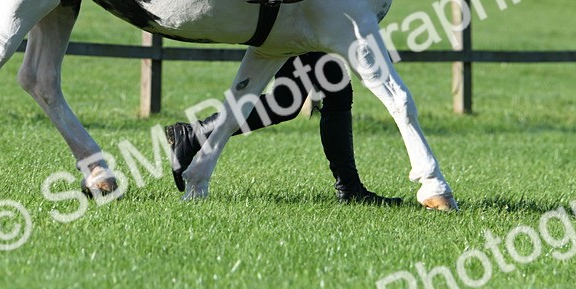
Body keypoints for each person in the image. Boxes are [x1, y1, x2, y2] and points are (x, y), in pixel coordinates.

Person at [166, 52, 402, 205]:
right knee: (307, 94)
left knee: (291, 99)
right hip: (297, 12)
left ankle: (350, 188)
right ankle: (350, 189)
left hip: (299, 12)